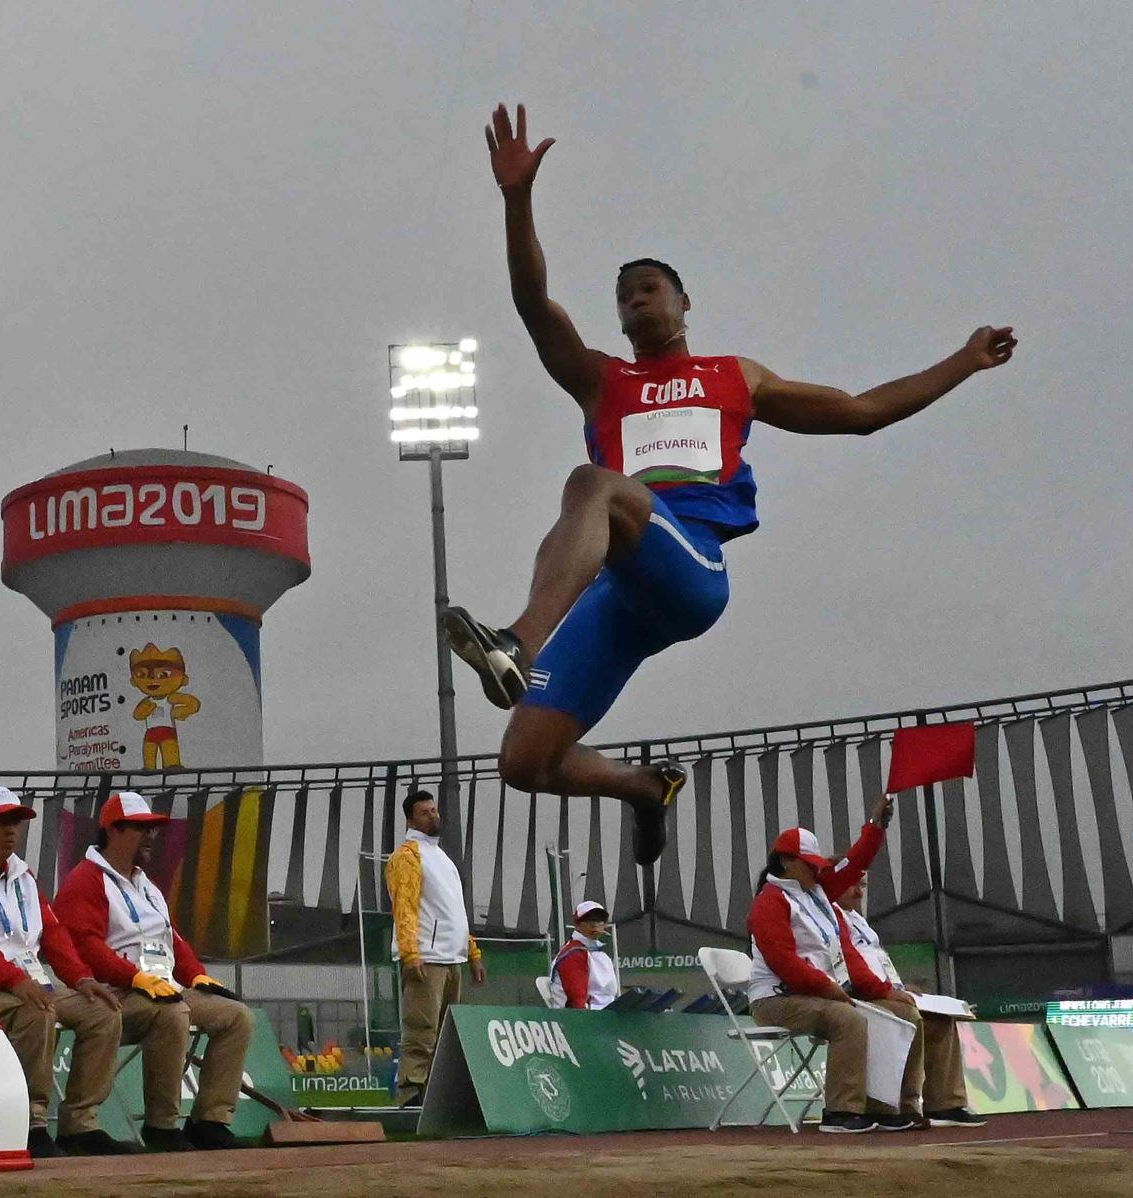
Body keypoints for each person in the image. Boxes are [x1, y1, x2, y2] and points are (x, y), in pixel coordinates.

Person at [444, 102, 1018, 865]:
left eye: (650, 287)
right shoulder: (599, 381)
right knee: (522, 764)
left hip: (692, 568)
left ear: (684, 305)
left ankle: (520, 639)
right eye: (624, 295)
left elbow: (860, 412)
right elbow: (530, 302)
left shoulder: (734, 377)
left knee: (596, 484)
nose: (636, 298)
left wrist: (963, 360)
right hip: (621, 595)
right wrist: (517, 200)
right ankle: (645, 790)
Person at [0, 786, 127, 1158]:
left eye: (16, 822)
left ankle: (80, 1123)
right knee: (36, 1009)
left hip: (22, 985)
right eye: (1, 822)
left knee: (103, 1011)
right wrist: (15, 981)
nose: (11, 831)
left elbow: (54, 934)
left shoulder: (22, 874)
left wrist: (82, 979)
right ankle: (30, 1123)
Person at [53, 790, 254, 1151]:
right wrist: (132, 977)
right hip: (111, 992)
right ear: (112, 830)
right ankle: (162, 1126)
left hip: (161, 988)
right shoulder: (86, 880)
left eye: (153, 830)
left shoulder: (147, 886)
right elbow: (84, 945)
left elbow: (172, 939)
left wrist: (196, 974)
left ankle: (209, 1121)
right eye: (140, 829)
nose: (150, 837)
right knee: (173, 1013)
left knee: (236, 1016)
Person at [747, 797, 926, 1133]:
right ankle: (841, 1111)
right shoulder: (769, 902)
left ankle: (894, 1107)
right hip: (776, 1000)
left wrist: (875, 827)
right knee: (849, 1019)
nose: (817, 869)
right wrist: (828, 988)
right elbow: (784, 963)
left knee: (904, 1015)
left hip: (821, 993)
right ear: (785, 861)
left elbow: (853, 862)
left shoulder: (816, 892)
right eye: (809, 862)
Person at [835, 873, 985, 1128]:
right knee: (907, 1017)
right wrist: (888, 992)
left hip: (884, 992)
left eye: (862, 885)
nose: (859, 892)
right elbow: (852, 968)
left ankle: (946, 1104)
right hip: (860, 997)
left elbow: (876, 962)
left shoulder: (858, 920)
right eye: (851, 884)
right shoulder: (831, 916)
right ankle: (903, 1105)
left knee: (940, 1021)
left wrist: (900, 987)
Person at [384, 789, 486, 1106]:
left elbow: (454, 911)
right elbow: (404, 907)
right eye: (426, 812)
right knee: (422, 1030)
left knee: (443, 1036)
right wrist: (411, 952)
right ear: (411, 818)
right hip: (427, 958)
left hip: (451, 957)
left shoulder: (441, 858)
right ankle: (410, 1093)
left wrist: (473, 953)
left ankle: (434, 1094)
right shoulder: (407, 856)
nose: (434, 816)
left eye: (435, 810)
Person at [547, 900, 618, 1010]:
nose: (595, 925)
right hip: (581, 1020)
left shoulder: (599, 953)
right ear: (577, 924)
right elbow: (577, 1002)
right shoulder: (573, 954)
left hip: (605, 1017)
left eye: (600, 920)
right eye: (589, 920)